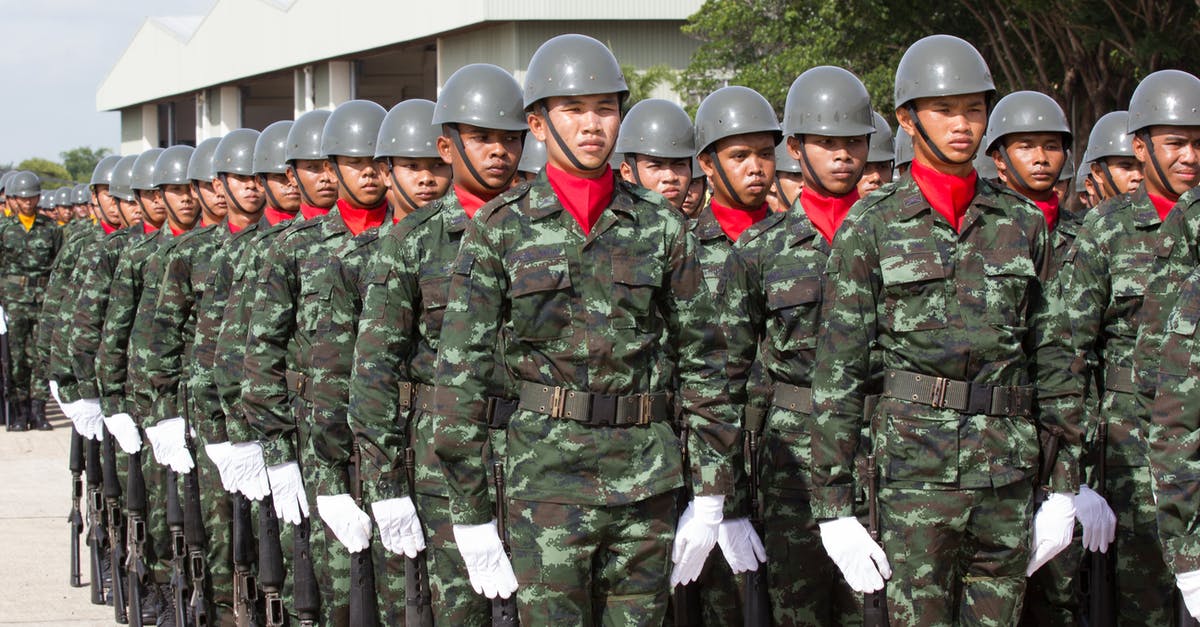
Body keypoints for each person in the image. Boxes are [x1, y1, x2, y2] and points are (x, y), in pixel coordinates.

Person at [430, 34, 736, 624]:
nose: (591, 124)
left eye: (605, 108)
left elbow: (706, 363)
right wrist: (469, 513)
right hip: (545, 481)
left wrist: (711, 492)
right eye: (572, 109)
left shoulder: (661, 227)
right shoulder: (500, 230)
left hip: (646, 481)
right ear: (538, 124)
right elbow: (459, 379)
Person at [809, 35, 1081, 625]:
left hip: (1007, 474)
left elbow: (1055, 356)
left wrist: (1065, 486)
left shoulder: (1023, 224)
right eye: (944, 110)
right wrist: (833, 506)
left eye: (974, 109)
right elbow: (839, 370)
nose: (963, 125)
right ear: (907, 119)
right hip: (913, 477)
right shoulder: (873, 226)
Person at [347, 67, 526, 626]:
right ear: (447, 146)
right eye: (482, 137)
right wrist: (385, 486)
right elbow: (375, 369)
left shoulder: (548, 233)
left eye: (510, 138)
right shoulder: (411, 241)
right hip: (442, 469)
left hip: (542, 460)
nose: (499, 152)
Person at [724, 64, 874, 627]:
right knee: (798, 608)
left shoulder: (895, 234)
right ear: (795, 148)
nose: (843, 156)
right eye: (827, 143)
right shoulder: (761, 250)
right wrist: (730, 500)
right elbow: (731, 375)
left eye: (854, 142)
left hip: (885, 452)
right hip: (792, 461)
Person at [1082, 69, 1200, 626]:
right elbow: (1070, 350)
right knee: (1143, 606)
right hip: (1132, 454)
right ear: (1140, 145)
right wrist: (1076, 477)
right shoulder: (1107, 230)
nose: (1190, 157)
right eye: (1176, 143)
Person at [0, 170, 61, 431]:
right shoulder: (3, 229)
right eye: (22, 199)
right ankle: (18, 410)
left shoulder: (50, 229)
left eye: (32, 197)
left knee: (40, 356)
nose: (27, 203)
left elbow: (58, 266)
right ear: (12, 200)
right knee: (14, 358)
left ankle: (38, 410)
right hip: (12, 301)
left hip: (42, 300)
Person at [616, 98, 694, 212]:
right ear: (627, 173)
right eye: (655, 166)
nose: (670, 177)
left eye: (680, 164)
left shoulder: (701, 229)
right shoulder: (615, 228)